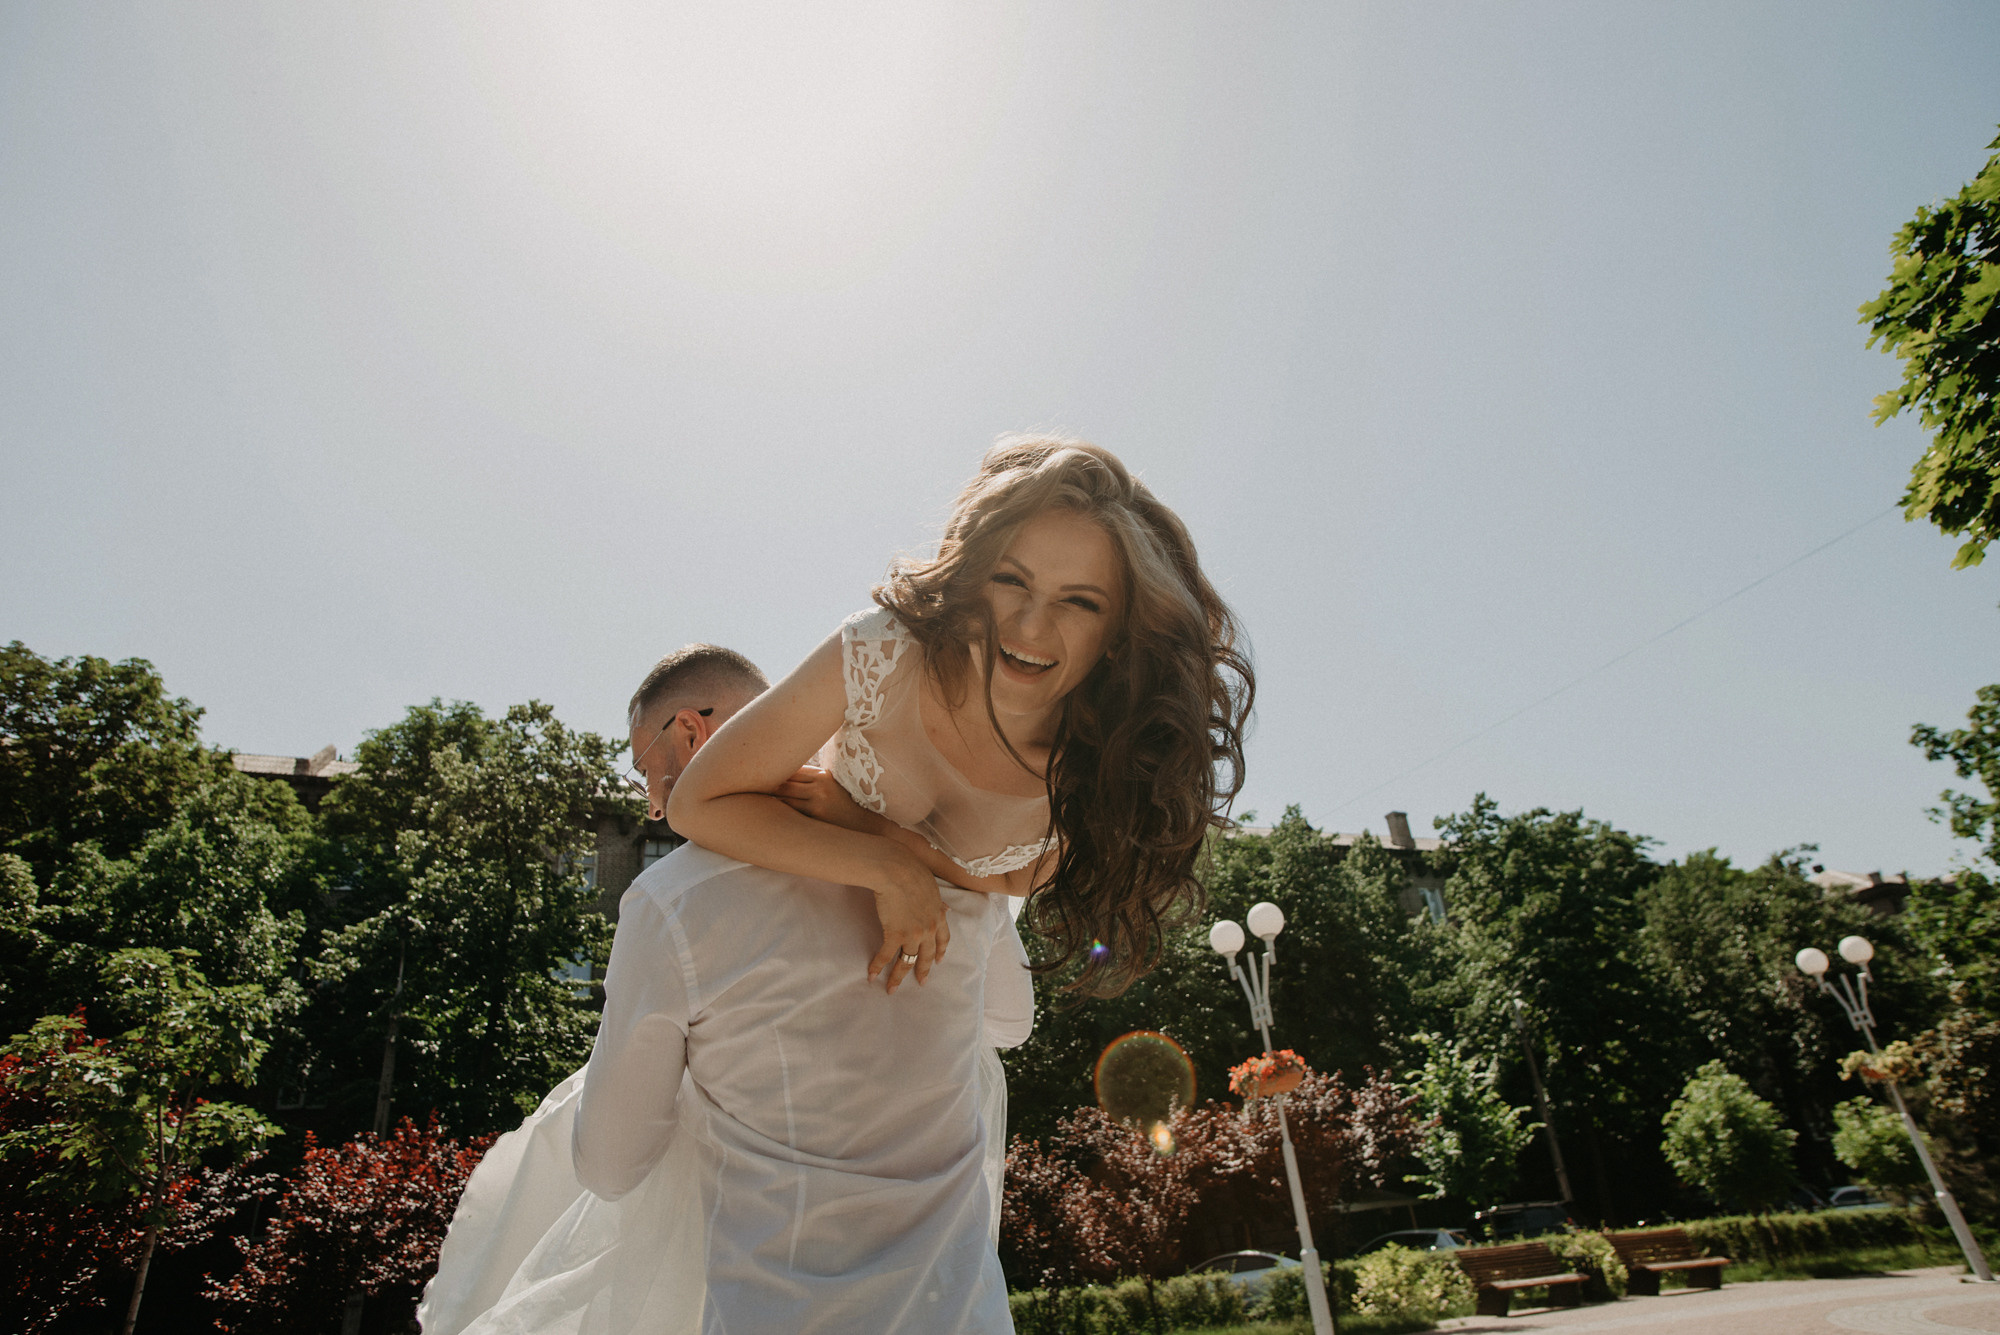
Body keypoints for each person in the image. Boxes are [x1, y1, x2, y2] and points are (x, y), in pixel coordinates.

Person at [422, 434, 1252, 1333]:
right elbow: (706, 802)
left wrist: (873, 833)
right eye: (1010, 580)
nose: (1028, 628)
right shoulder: (886, 653)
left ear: (1120, 630)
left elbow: (996, 957)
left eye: (1079, 601)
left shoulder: (1082, 784)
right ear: (973, 573)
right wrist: (883, 865)